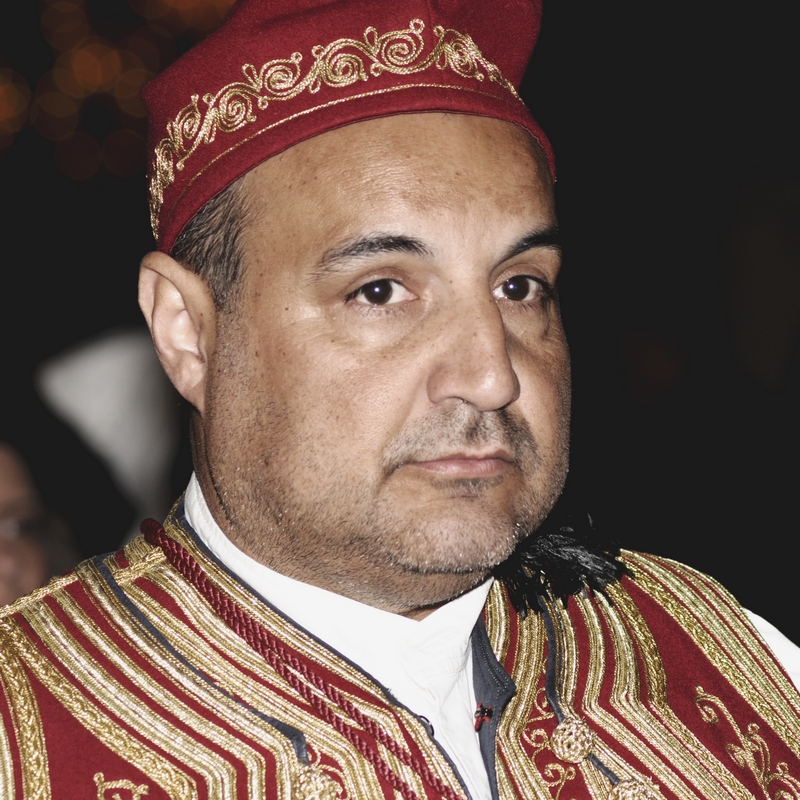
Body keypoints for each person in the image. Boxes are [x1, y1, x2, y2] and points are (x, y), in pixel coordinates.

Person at [2, 1, 799, 798]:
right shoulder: (25, 741)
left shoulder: (721, 656)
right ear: (189, 333)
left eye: (519, 287)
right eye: (380, 291)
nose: (492, 376)